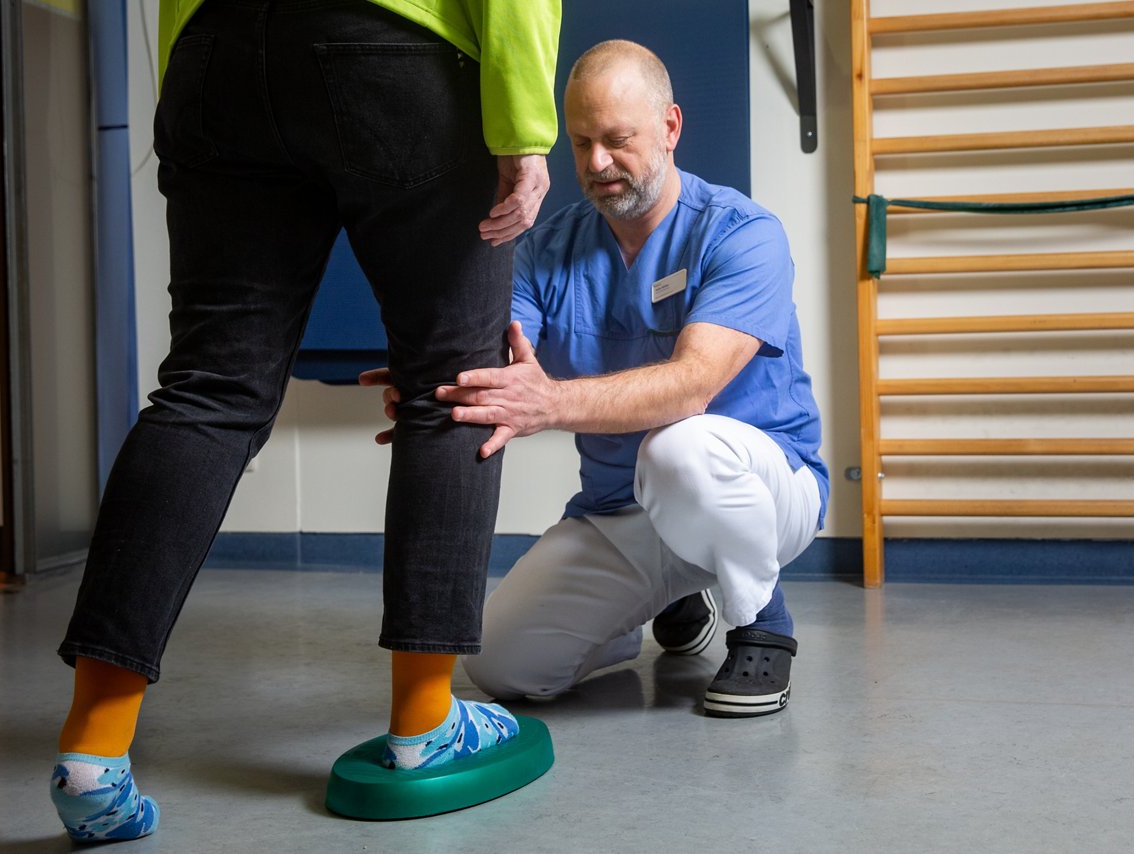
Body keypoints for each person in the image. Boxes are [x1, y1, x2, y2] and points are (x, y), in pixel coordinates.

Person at [50, 0, 559, 842]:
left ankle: (92, 751)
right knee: (454, 386)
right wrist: (524, 125)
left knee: (206, 391)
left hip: (213, 51)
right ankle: (426, 725)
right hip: (398, 48)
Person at [365, 40, 829, 720]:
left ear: (670, 127)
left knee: (680, 450)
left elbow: (691, 386)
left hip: (767, 491)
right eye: (580, 143)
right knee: (500, 663)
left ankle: (763, 621)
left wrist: (548, 403)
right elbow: (495, 355)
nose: (597, 164)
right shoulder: (548, 250)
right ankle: (668, 596)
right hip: (623, 511)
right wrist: (434, 382)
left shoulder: (742, 233)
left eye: (617, 140)